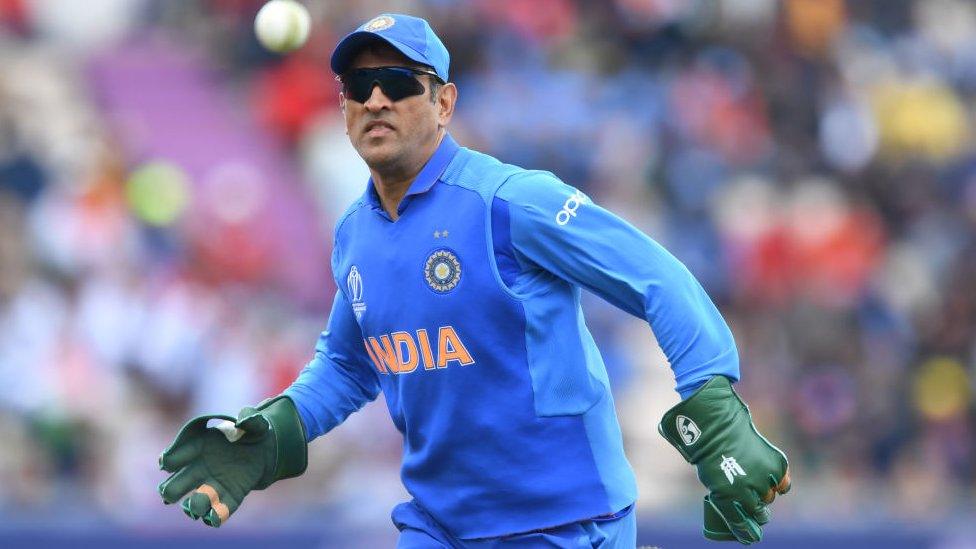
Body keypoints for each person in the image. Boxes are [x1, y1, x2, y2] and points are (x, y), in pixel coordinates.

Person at [157, 13, 791, 547]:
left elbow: (655, 276)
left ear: (444, 103)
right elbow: (349, 365)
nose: (375, 98)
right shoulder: (354, 233)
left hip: (565, 525)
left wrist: (714, 405)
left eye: (398, 81)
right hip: (439, 526)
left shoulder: (509, 201)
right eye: (358, 84)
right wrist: (277, 430)